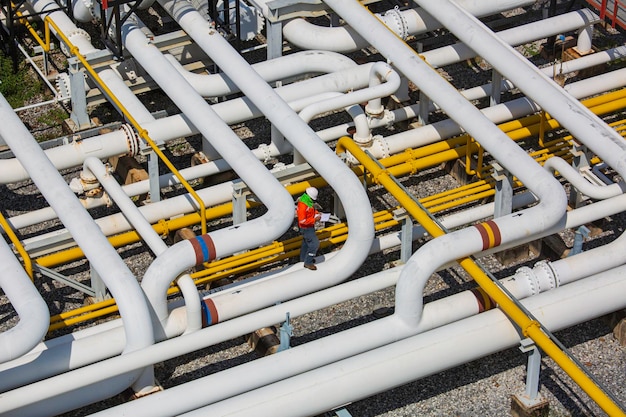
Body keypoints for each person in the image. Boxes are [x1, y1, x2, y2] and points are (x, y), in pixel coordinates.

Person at [296, 187, 321, 271]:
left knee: (306, 244)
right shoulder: (303, 205)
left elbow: (311, 211)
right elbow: (302, 221)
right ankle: (308, 262)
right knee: (314, 244)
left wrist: (316, 214)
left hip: (309, 226)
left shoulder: (307, 202)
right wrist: (315, 219)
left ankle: (303, 259)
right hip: (306, 227)